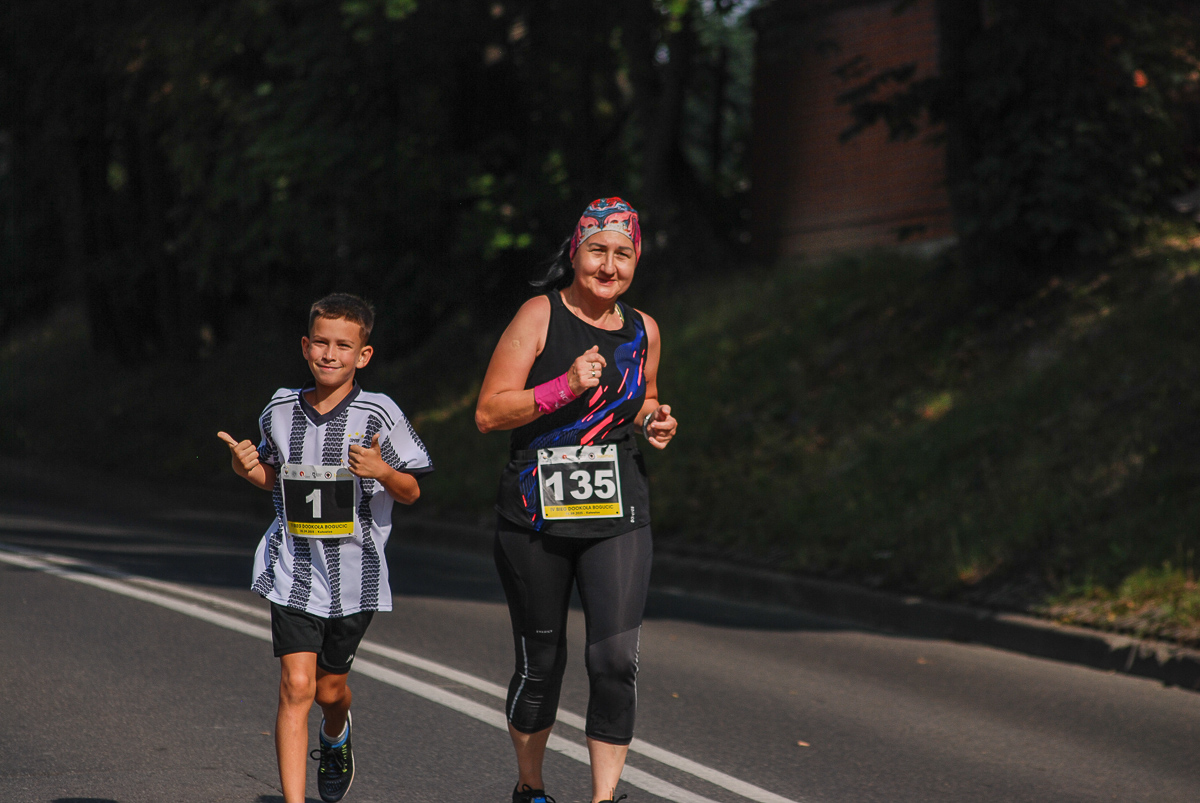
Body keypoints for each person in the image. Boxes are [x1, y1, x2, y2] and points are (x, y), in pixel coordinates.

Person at [476, 197, 678, 803]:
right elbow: (489, 412)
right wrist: (563, 386)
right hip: (536, 513)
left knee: (615, 660)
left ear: (636, 260)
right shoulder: (540, 314)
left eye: (622, 254)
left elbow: (639, 399)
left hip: (617, 508)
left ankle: (604, 796)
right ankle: (531, 786)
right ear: (576, 253)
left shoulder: (645, 330)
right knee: (542, 664)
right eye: (598, 251)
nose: (609, 266)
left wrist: (653, 420)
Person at [218, 293, 432, 803]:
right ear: (304, 346)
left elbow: (412, 489)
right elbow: (273, 475)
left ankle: (336, 731)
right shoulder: (279, 408)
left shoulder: (380, 414)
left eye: (343, 345)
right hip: (292, 567)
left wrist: (383, 471)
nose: (330, 354)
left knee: (329, 691)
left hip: (355, 577)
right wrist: (246, 468)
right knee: (296, 685)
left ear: (364, 355)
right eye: (320, 343)